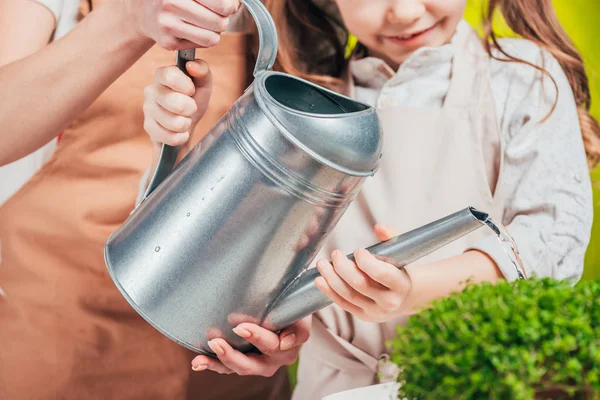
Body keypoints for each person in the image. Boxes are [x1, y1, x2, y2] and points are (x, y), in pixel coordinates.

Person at [143, 0, 599, 398]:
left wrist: (416, 291)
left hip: (479, 382)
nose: (403, 10)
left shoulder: (523, 80)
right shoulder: (302, 101)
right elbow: (220, 257)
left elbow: (549, 245)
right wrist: (176, 140)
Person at [0, 0, 290, 399]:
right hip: (65, 331)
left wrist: (288, 320)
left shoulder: (297, 14)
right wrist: (127, 17)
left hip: (221, 349)